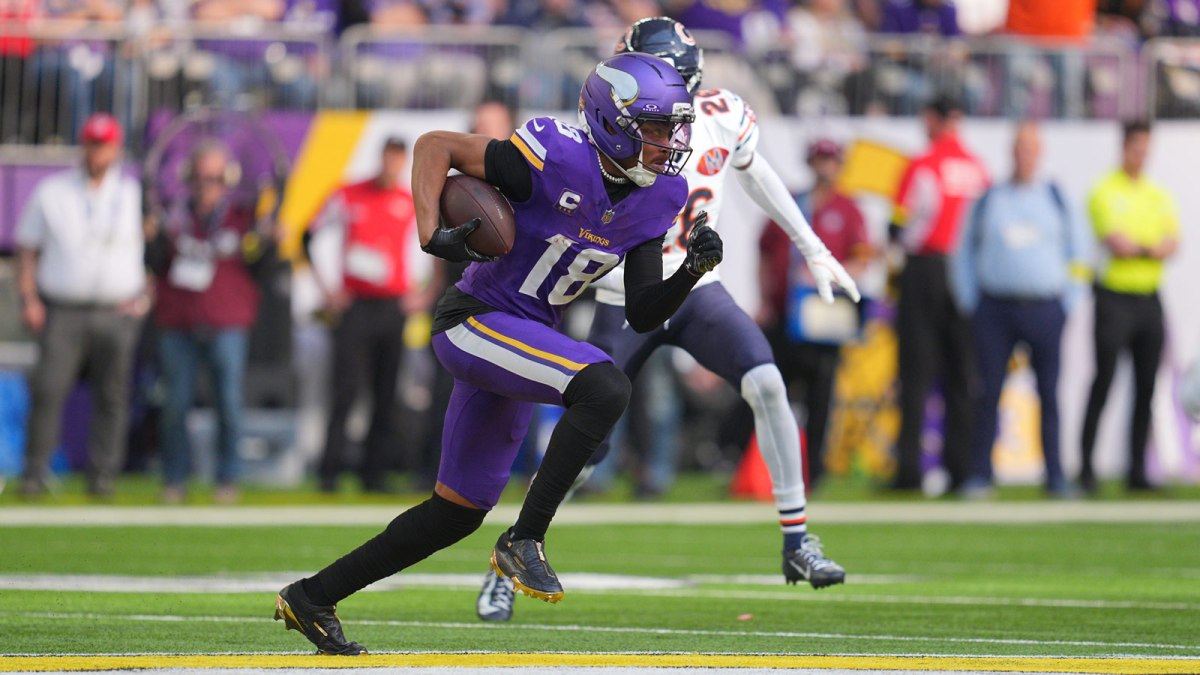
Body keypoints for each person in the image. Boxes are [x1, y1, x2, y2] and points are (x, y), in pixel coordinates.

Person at [273, 52, 719, 655]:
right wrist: (430, 231)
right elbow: (435, 146)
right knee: (604, 385)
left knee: (455, 512)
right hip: (477, 321)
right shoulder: (556, 155)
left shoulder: (661, 195)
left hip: (525, 336)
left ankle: (311, 597)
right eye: (657, 128)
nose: (670, 143)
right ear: (613, 121)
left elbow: (641, 310)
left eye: (674, 129)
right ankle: (525, 539)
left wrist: (689, 271)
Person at [477, 17, 860, 623]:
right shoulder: (604, 136)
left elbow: (755, 169)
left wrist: (811, 244)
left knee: (767, 382)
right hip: (624, 296)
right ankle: (510, 556)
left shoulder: (721, 113)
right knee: (589, 444)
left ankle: (797, 540)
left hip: (696, 288)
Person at [950, 122, 1091, 498]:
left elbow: (1080, 256)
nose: (1024, 155)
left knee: (1049, 393)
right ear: (1011, 152)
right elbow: (963, 252)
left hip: (1045, 307)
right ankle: (980, 473)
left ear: (1038, 153)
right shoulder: (990, 199)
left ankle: (1056, 476)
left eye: (1031, 148)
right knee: (987, 391)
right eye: (1019, 148)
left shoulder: (1056, 198)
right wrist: (970, 301)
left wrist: (1070, 301)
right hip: (995, 307)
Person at [15, 113, 147, 498]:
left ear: (116, 148)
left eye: (104, 144)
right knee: (49, 390)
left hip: (116, 309)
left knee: (113, 396)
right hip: (64, 308)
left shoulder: (133, 193)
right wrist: (29, 298)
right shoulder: (53, 191)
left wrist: (145, 295)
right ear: (82, 144)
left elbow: (153, 251)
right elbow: (28, 250)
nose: (97, 151)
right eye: (92, 142)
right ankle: (34, 474)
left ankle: (102, 476)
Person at [147, 140, 276, 504]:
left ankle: (227, 479)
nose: (208, 184)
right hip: (178, 320)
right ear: (189, 178)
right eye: (202, 177)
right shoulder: (171, 217)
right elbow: (156, 263)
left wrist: (269, 242)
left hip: (227, 320)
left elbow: (261, 268)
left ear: (228, 181)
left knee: (229, 404)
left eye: (216, 178)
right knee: (175, 404)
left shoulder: (243, 217)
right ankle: (174, 479)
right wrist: (151, 238)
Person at [306, 137, 424, 493]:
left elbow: (434, 250)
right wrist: (327, 290)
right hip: (355, 305)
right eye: (387, 160)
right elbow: (306, 236)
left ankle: (374, 473)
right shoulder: (347, 194)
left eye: (396, 162)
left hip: (391, 306)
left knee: (385, 393)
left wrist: (424, 294)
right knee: (345, 390)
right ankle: (330, 470)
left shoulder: (409, 202)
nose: (390, 168)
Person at [889, 94, 989, 494]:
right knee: (961, 375)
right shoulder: (978, 169)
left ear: (933, 118)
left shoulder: (923, 165)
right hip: (965, 275)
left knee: (914, 374)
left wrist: (896, 237)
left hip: (926, 269)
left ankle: (909, 470)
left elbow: (902, 223)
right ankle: (960, 468)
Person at [757, 138, 870, 491]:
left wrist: (831, 273)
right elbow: (765, 252)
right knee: (775, 392)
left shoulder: (848, 209)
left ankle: (815, 469)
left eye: (831, 160)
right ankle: (769, 468)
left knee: (822, 395)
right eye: (820, 159)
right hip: (785, 313)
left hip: (824, 315)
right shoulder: (792, 201)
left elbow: (863, 256)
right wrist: (764, 298)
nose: (825, 167)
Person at [1079, 120, 1179, 494]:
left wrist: (1146, 249)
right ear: (1124, 148)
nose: (1142, 155)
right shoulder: (1105, 191)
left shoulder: (1157, 194)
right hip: (1114, 298)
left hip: (1149, 299)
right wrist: (1148, 249)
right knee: (1103, 381)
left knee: (1146, 387)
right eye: (1136, 147)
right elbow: (1118, 243)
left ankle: (1138, 469)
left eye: (1146, 148)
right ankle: (1087, 468)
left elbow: (1173, 243)